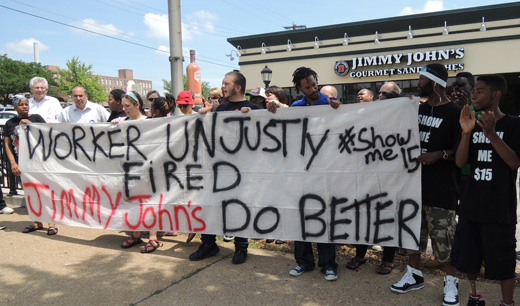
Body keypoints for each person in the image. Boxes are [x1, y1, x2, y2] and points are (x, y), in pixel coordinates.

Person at [390, 64, 461, 306]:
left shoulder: (454, 112)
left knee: (446, 243)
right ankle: (414, 274)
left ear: (436, 82)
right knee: (412, 237)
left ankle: (451, 282)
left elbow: (462, 152)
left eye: (422, 79)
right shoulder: (416, 109)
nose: (419, 82)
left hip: (442, 189)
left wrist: (439, 154)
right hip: (412, 187)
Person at [452, 75, 519, 306]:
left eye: (480, 91)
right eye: (474, 91)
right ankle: (474, 296)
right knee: (469, 258)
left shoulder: (512, 123)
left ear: (496, 94)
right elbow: (460, 163)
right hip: (471, 205)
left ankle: (507, 302)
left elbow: (514, 163)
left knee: (503, 261)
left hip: (499, 208)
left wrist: (492, 135)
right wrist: (466, 133)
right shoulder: (472, 124)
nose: (474, 95)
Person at [189, 71, 261, 265]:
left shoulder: (253, 108)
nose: (222, 86)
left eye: (226, 83)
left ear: (238, 87)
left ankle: (241, 247)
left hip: (242, 171)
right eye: (222, 83)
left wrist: (252, 117)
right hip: (218, 169)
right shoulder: (220, 109)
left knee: (239, 208)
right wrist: (205, 116)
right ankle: (208, 244)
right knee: (209, 205)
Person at [282, 67, 339, 281]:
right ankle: (304, 261)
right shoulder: (296, 107)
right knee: (302, 217)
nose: (313, 89)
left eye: (314, 84)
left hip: (326, 172)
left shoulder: (331, 104)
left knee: (324, 217)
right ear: (299, 88)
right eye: (307, 87)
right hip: (302, 172)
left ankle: (328, 264)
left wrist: (338, 110)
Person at [113, 91, 163, 253]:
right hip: (129, 170)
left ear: (137, 105)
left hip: (148, 171)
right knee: (133, 202)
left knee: (150, 202)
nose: (124, 109)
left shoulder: (149, 122)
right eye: (123, 106)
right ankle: (136, 234)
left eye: (127, 106)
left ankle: (153, 237)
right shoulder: (123, 121)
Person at [7, 95, 55, 234]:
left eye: (26, 104)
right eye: (21, 104)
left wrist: (31, 125)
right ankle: (37, 222)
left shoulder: (36, 118)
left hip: (39, 163)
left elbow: (48, 133)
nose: (25, 107)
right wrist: (13, 163)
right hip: (22, 164)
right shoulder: (10, 123)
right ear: (15, 107)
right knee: (29, 194)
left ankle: (51, 222)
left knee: (44, 191)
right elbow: (8, 145)